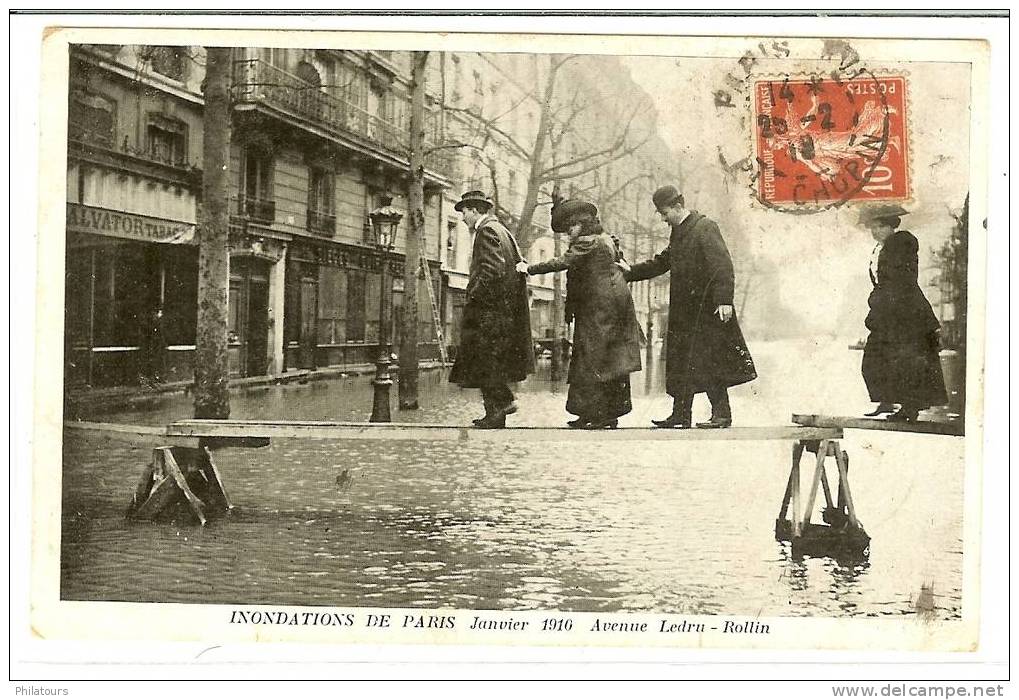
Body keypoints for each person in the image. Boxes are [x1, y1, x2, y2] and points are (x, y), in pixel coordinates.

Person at [622, 185, 757, 428]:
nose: (663, 219)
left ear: (677, 206)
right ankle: (680, 415)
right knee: (682, 361)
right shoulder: (679, 231)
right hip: (684, 311)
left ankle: (722, 415)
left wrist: (724, 300)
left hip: (707, 310)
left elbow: (722, 265)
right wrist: (629, 272)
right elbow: (662, 262)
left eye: (664, 213)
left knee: (710, 361)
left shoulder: (705, 227)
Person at [517, 200, 643, 429]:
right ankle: (594, 412)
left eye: (571, 228)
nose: (569, 234)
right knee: (598, 359)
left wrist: (529, 268)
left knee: (595, 359)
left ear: (582, 224)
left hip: (602, 309)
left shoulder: (589, 242)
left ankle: (600, 415)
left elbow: (563, 262)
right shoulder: (604, 239)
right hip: (607, 306)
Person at [449, 190, 534, 428]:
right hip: (504, 313)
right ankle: (496, 416)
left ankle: (502, 405)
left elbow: (493, 270)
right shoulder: (504, 231)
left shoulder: (486, 231)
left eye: (464, 212)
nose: (463, 218)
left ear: (474, 210)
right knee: (491, 363)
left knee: (483, 361)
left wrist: (474, 297)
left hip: (488, 312)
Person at [859, 204, 947, 422]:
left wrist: (879, 302)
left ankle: (909, 407)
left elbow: (900, 282)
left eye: (879, 226)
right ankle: (890, 400)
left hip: (905, 313)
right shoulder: (881, 249)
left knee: (907, 361)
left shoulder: (899, 245)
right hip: (889, 312)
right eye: (872, 227)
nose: (875, 231)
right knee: (876, 359)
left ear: (891, 227)